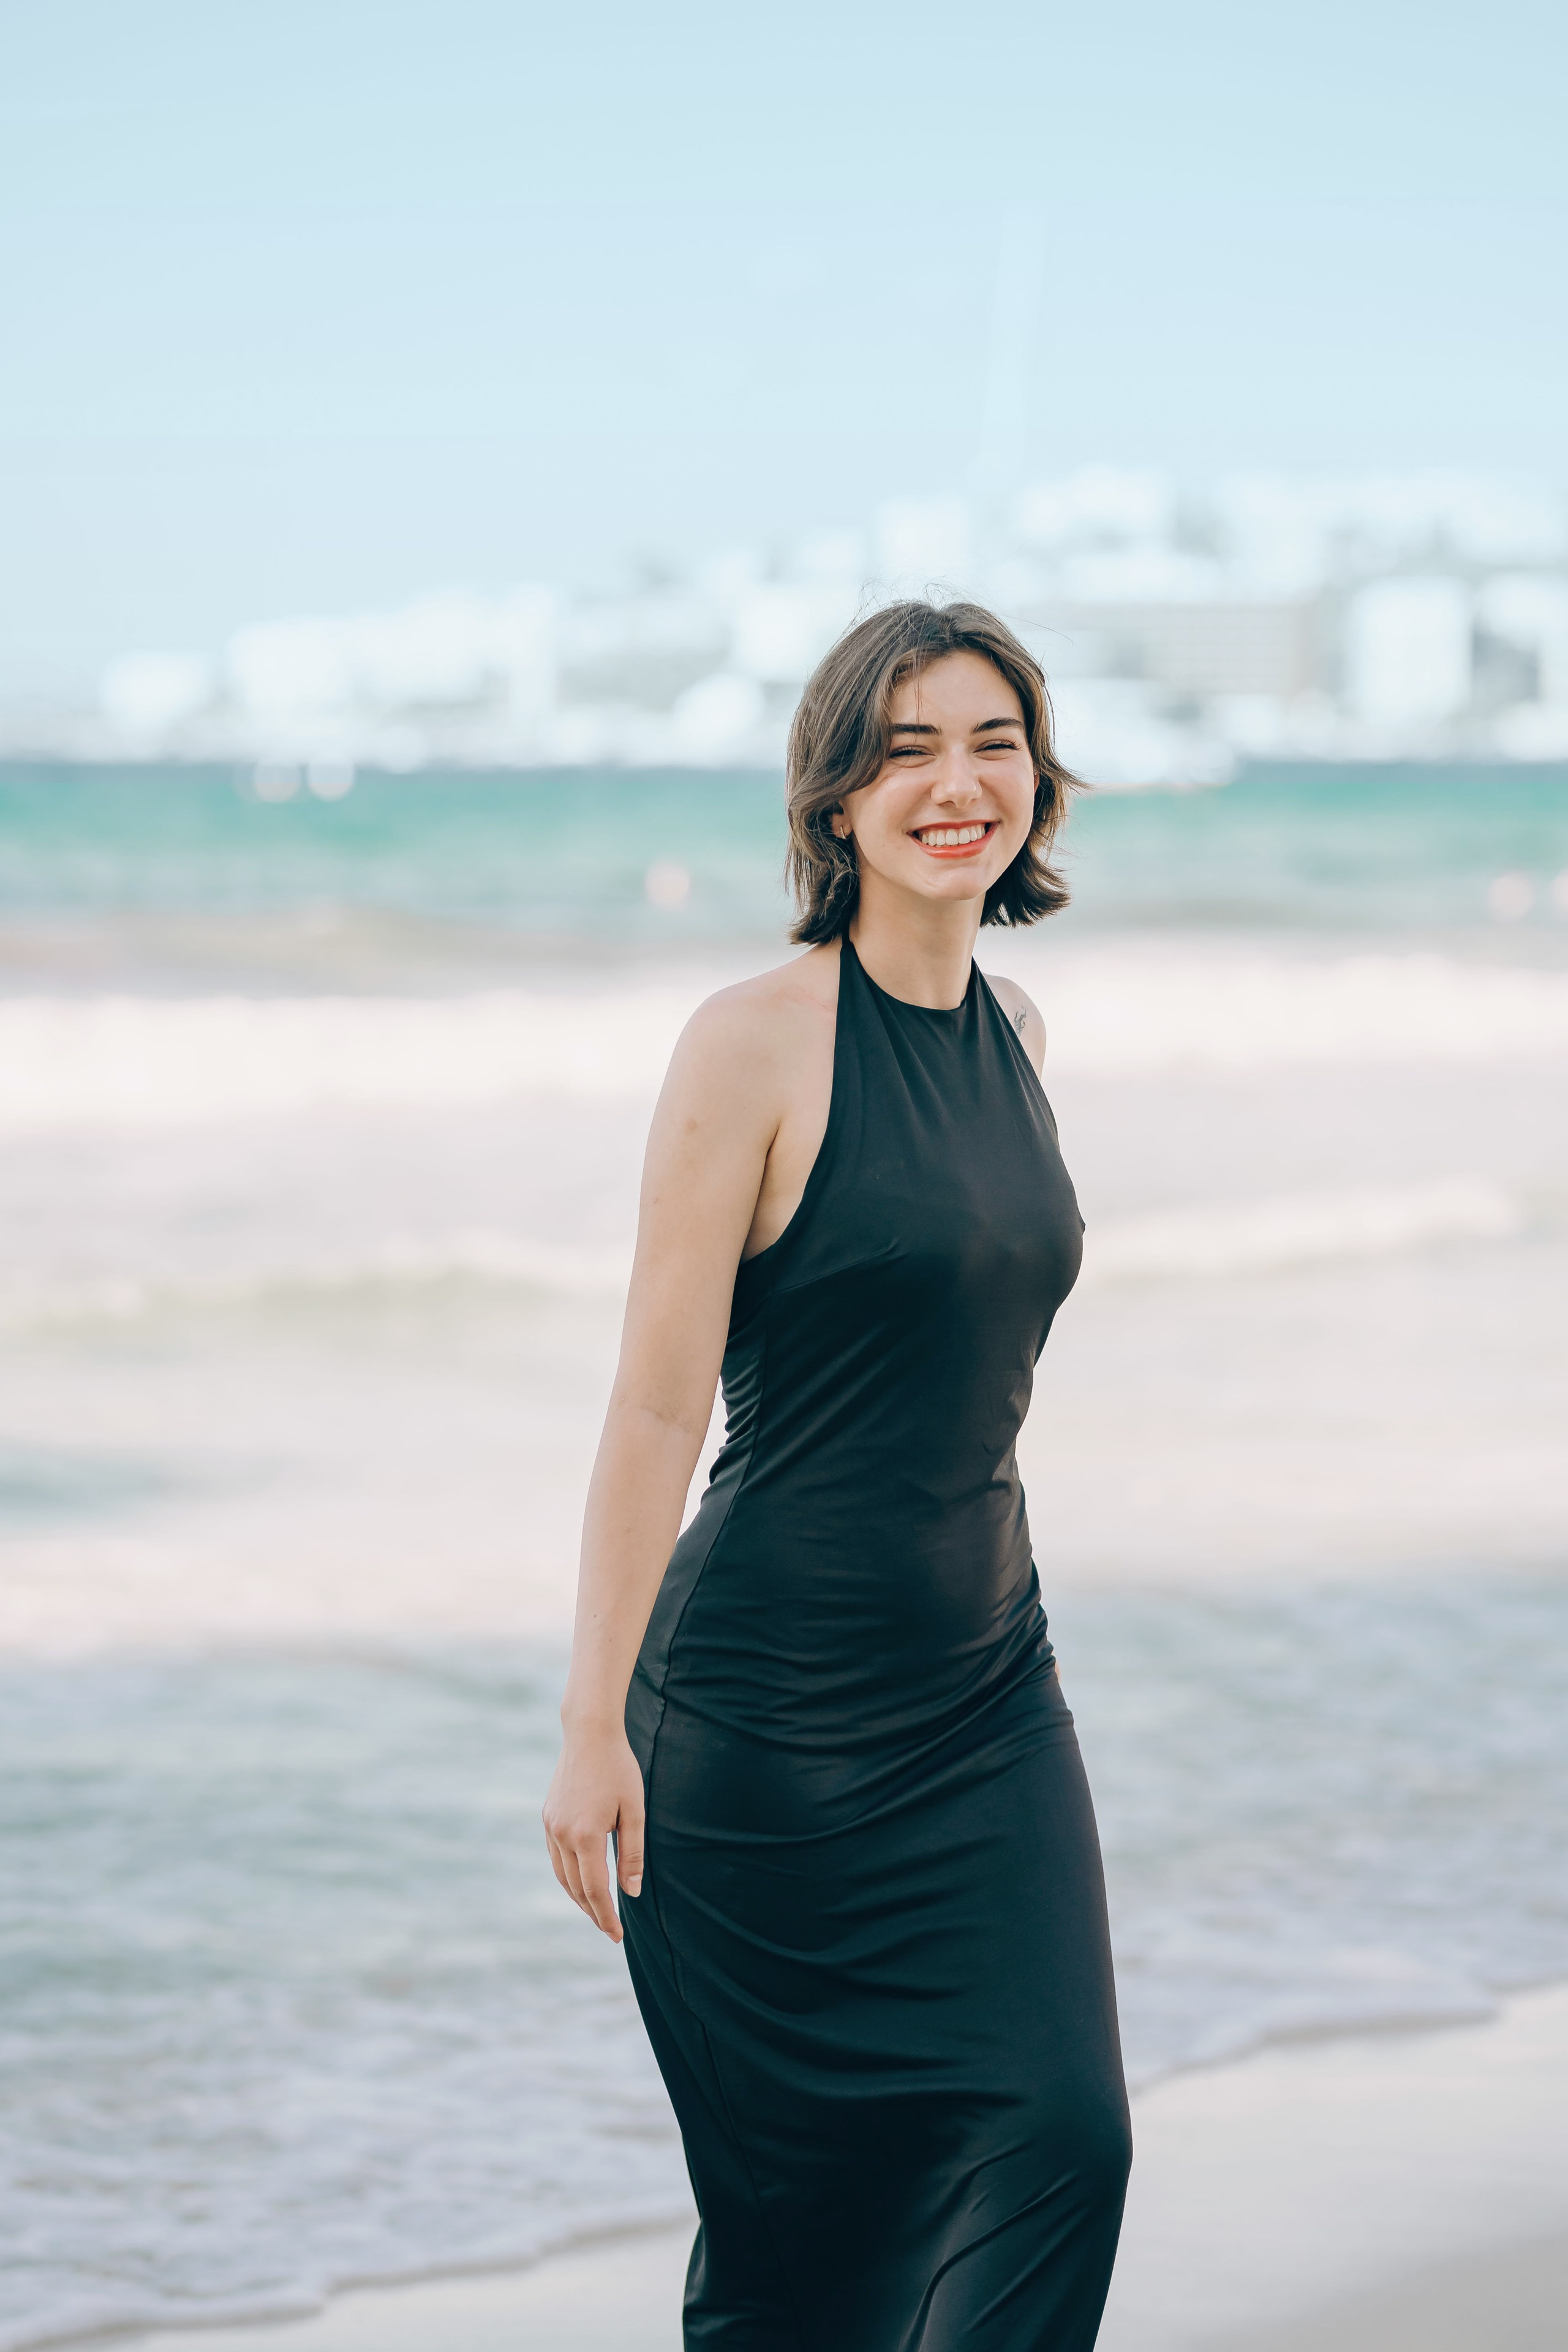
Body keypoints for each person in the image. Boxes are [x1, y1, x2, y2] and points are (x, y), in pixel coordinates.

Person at [543, 599, 1131, 2350]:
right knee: (812, 2268)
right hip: (757, 1741)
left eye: (993, 742)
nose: (958, 784)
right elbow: (655, 1412)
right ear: (836, 799)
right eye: (907, 748)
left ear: (1038, 776)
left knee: (1065, 2140)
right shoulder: (751, 1042)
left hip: (985, 1696)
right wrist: (589, 1728)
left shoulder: (1017, 1033)